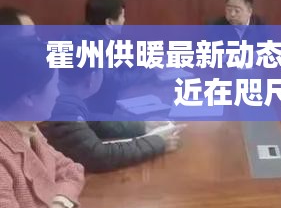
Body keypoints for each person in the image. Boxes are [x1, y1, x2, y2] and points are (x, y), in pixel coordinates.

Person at [0, 38, 139, 208]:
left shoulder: (27, 128)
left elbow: (70, 168)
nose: (57, 93)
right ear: (28, 97)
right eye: (53, 86)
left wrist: (59, 204)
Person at [39, 38, 183, 173]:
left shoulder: (66, 94)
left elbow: (92, 121)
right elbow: (98, 156)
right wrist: (156, 143)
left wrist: (142, 126)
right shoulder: (63, 105)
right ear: (91, 78)